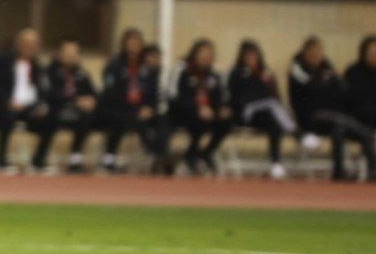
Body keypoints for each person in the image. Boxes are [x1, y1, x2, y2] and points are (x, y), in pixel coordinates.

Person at [289, 36, 376, 182]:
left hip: (333, 117)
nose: (316, 55)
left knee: (340, 129)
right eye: (313, 52)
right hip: (310, 117)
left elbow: (339, 91)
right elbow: (312, 92)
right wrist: (324, 87)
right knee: (344, 124)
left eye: (319, 51)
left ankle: (349, 171)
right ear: (305, 53)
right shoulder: (298, 69)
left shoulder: (326, 68)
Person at [0, 28, 47, 174]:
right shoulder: (2, 60)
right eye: (26, 43)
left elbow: (41, 91)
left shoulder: (37, 66)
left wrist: (40, 106)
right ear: (18, 43)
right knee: (6, 117)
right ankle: (1, 161)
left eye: (33, 44)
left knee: (49, 119)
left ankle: (38, 162)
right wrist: (8, 102)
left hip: (26, 108)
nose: (29, 47)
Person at [226, 39, 295, 179]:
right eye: (248, 55)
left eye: (254, 55)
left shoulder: (265, 73)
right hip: (246, 114)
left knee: (274, 121)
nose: (251, 59)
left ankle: (276, 162)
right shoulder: (237, 73)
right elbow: (238, 97)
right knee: (272, 109)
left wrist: (266, 82)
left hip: (267, 114)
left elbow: (274, 95)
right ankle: (297, 133)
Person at [97, 27, 162, 173]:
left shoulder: (148, 68)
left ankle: (159, 154)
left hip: (142, 109)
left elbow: (154, 93)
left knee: (162, 120)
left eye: (137, 43)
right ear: (124, 44)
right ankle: (109, 157)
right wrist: (132, 108)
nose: (133, 46)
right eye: (130, 42)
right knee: (121, 118)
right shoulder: (113, 66)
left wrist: (150, 108)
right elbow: (109, 90)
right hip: (119, 108)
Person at [166, 38, 232, 176]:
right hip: (183, 113)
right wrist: (196, 108)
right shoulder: (181, 70)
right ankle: (191, 156)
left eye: (210, 54)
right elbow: (173, 97)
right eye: (203, 53)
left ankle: (207, 152)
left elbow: (219, 97)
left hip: (207, 113)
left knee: (227, 121)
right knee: (199, 120)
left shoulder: (214, 75)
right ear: (195, 53)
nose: (206, 57)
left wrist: (221, 109)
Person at [34, 39, 98, 174]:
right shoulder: (49, 71)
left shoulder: (81, 73)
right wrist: (75, 100)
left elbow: (92, 93)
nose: (71, 57)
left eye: (74, 54)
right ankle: (39, 159)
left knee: (89, 116)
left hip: (76, 112)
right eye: (68, 54)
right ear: (60, 54)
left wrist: (91, 100)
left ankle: (75, 159)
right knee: (48, 117)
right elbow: (49, 93)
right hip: (55, 109)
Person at [344, 34, 376, 128]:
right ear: (363, 53)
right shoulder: (352, 72)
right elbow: (349, 100)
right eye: (371, 52)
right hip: (358, 122)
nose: (374, 55)